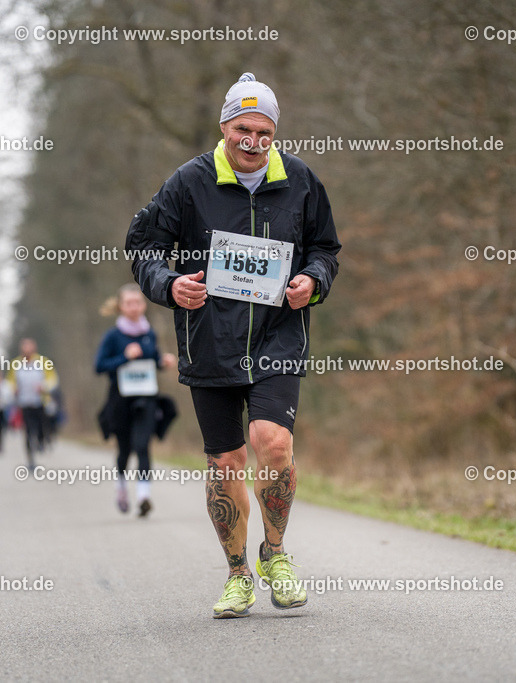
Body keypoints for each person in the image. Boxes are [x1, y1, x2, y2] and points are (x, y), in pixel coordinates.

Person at [127, 73, 341, 617]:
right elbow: (146, 248)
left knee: (272, 443)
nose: (253, 141)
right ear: (224, 127)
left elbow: (325, 248)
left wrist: (312, 282)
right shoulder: (188, 182)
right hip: (210, 340)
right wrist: (170, 285)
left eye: (264, 131)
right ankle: (238, 573)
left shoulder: (300, 181)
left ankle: (276, 552)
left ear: (275, 133)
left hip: (278, 335)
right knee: (226, 462)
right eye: (243, 128)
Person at [95, 284, 176, 517]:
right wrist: (123, 357)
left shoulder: (149, 333)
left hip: (146, 397)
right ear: (120, 306)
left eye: (138, 303)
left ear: (143, 305)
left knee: (143, 444)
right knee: (125, 448)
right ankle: (121, 487)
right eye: (129, 303)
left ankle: (143, 496)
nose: (134, 307)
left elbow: (153, 360)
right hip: (120, 399)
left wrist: (163, 362)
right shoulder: (113, 336)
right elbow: (99, 366)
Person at [6, 338, 58, 470]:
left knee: (42, 427)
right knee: (28, 432)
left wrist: (44, 386)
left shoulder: (43, 362)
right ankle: (31, 461)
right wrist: (13, 389)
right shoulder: (15, 364)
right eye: (25, 348)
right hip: (24, 402)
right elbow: (10, 382)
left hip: (41, 402)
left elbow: (53, 379)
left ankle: (42, 441)